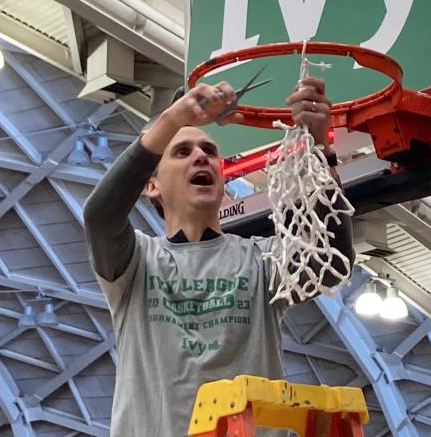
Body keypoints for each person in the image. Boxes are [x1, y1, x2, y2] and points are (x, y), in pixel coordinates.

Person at [83, 76, 354, 437]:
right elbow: (100, 215)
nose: (201, 157)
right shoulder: (135, 262)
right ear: (152, 185)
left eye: (210, 151)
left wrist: (319, 146)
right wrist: (172, 120)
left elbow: (332, 263)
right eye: (182, 152)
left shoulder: (261, 259)